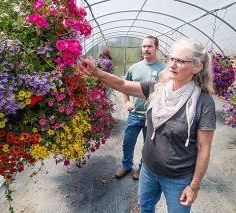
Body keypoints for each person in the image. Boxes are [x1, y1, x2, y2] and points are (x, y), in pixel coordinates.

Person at [80, 38, 216, 213]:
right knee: (145, 206)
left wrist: (194, 186)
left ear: (197, 67)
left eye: (181, 61)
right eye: (172, 59)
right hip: (149, 170)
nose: (173, 64)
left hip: (178, 178)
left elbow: (203, 148)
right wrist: (97, 72)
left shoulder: (203, 102)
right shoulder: (158, 89)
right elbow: (122, 84)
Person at [119, 36, 165, 181]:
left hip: (152, 116)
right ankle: (126, 165)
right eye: (144, 46)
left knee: (148, 145)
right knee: (128, 142)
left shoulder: (164, 69)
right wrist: (126, 101)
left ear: (157, 48)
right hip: (134, 115)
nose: (146, 49)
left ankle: (141, 168)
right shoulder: (135, 68)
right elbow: (124, 86)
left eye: (150, 46)